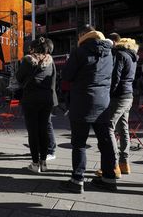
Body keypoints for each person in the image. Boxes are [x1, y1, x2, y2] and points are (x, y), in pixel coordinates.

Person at [59, 27, 116, 193]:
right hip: (103, 102)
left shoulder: (79, 51)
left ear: (82, 36)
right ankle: (109, 178)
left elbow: (67, 76)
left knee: (79, 143)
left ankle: (77, 180)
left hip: (82, 101)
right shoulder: (110, 52)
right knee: (105, 142)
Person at [16, 37, 58, 173]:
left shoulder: (27, 60)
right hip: (46, 99)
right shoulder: (51, 61)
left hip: (31, 99)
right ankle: (44, 163)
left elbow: (19, 77)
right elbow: (53, 80)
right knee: (44, 129)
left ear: (33, 48)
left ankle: (35, 164)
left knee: (33, 131)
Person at [108, 38, 138, 176]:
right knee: (123, 129)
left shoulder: (120, 55)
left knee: (108, 126)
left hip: (118, 96)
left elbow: (115, 77)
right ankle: (124, 163)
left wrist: (109, 93)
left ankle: (112, 165)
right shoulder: (133, 57)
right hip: (128, 96)